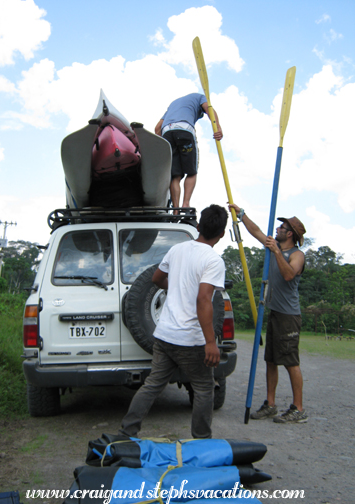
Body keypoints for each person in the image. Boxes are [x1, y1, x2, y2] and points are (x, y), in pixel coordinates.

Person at [120, 204, 228, 438]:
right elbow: (203, 300)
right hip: (191, 340)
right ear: (222, 234)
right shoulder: (213, 261)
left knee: (152, 385)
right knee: (203, 388)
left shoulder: (177, 250)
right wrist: (211, 342)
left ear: (198, 226)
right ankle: (201, 441)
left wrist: (177, 288)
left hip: (164, 335)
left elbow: (157, 278)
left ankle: (126, 432)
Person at [229, 203, 308, 424]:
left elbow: (288, 275)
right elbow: (256, 232)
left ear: (290, 233)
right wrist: (241, 214)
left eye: (282, 227)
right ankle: (270, 404)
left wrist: (275, 252)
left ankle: (298, 409)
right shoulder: (274, 246)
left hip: (289, 316)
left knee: (291, 361)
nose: (277, 229)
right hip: (274, 312)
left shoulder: (297, 254)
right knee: (271, 360)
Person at [155, 93, 223, 215]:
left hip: (167, 133)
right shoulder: (200, 97)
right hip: (184, 129)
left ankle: (175, 210)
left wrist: (162, 148)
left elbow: (157, 128)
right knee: (192, 171)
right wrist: (217, 127)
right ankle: (185, 204)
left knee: (175, 175)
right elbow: (209, 109)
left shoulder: (173, 104)